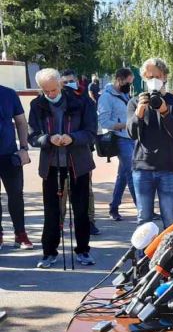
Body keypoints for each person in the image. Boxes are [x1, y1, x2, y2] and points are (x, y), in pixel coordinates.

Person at [29, 68, 97, 268]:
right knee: (51, 211)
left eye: (54, 89)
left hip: (78, 163)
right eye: (46, 91)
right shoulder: (36, 105)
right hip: (51, 165)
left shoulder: (82, 101)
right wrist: (47, 139)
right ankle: (49, 252)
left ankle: (83, 250)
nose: (51, 94)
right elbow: (32, 136)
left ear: (60, 83)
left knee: (81, 209)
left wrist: (72, 138)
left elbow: (91, 132)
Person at [127, 58, 173, 228]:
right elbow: (132, 133)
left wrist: (165, 112)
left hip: (168, 167)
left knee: (169, 218)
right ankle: (145, 247)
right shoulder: (134, 102)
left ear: (165, 77)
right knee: (144, 219)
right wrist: (139, 112)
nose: (154, 80)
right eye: (150, 77)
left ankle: (170, 247)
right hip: (142, 167)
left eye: (157, 76)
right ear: (144, 79)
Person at [61, 69, 101, 235]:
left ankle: (89, 221)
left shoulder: (85, 100)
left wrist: (76, 138)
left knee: (86, 190)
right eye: (65, 82)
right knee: (61, 189)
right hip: (60, 152)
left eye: (71, 81)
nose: (68, 85)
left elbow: (91, 127)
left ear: (77, 81)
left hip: (82, 150)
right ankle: (59, 223)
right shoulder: (56, 100)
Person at [98, 68, 137, 221]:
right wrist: (126, 125)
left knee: (123, 176)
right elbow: (104, 122)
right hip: (120, 139)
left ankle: (114, 208)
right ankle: (144, 209)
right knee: (133, 174)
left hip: (132, 138)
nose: (129, 86)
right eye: (128, 83)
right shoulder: (106, 97)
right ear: (119, 80)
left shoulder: (125, 95)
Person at [0, 84, 33, 250]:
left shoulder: (9, 94)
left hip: (9, 154)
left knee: (16, 195)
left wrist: (24, 148)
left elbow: (21, 122)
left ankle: (20, 234)